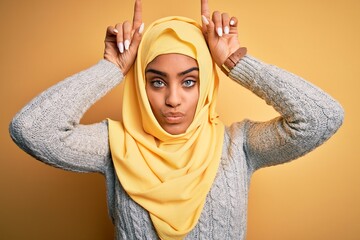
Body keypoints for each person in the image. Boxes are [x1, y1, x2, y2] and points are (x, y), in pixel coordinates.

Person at [9, 0, 344, 239]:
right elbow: (32, 130)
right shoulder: (115, 147)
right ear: (140, 84)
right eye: (157, 81)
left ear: (208, 83)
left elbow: (321, 117)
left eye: (189, 81)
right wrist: (110, 68)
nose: (172, 98)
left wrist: (235, 62)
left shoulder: (239, 147)